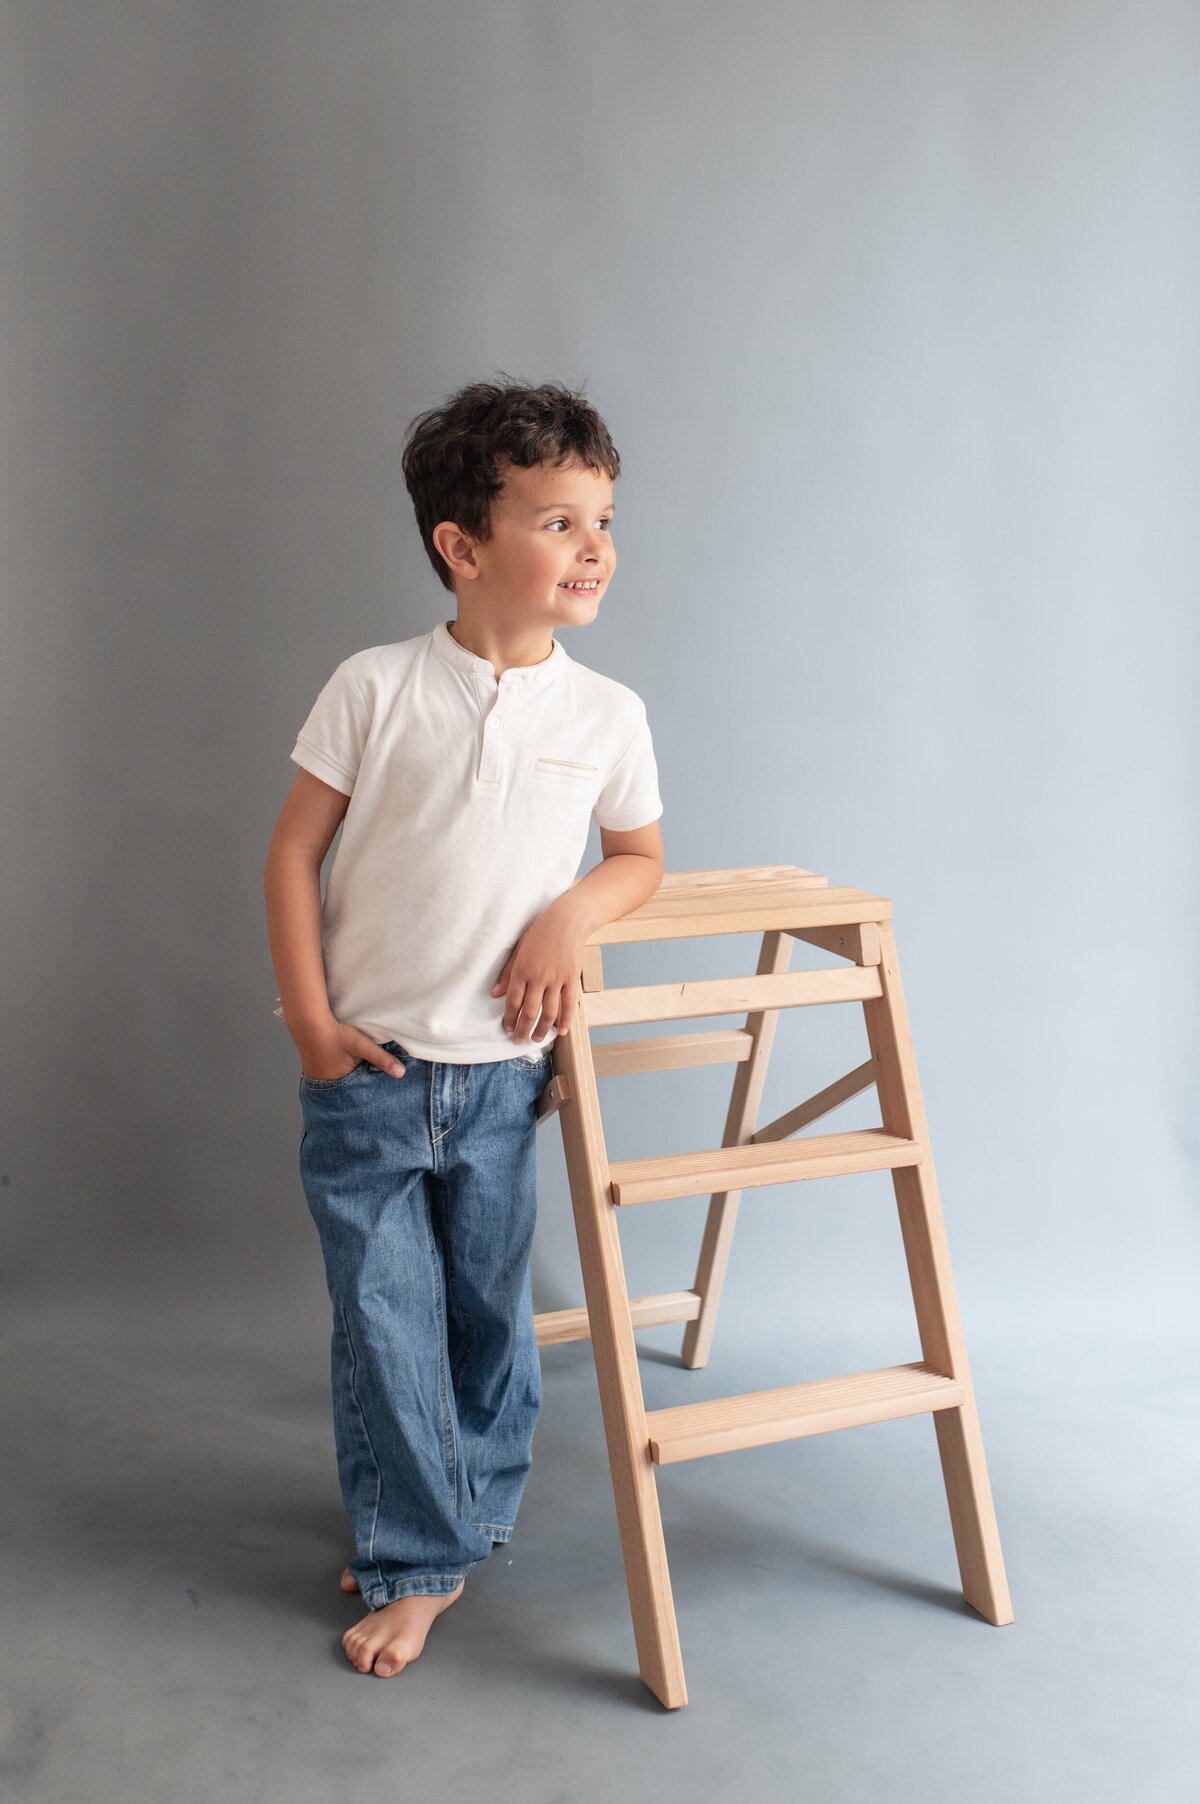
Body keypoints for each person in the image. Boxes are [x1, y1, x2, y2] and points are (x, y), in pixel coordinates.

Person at [263, 378, 665, 1680]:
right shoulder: (374, 688)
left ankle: (455, 1515)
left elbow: (641, 858)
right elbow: (291, 855)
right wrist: (313, 1025)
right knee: (385, 1323)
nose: (596, 546)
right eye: (560, 520)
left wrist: (570, 918)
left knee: (485, 1319)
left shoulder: (607, 715)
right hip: (372, 1072)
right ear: (464, 545)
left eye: (604, 518)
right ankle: (420, 1555)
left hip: (504, 1080)